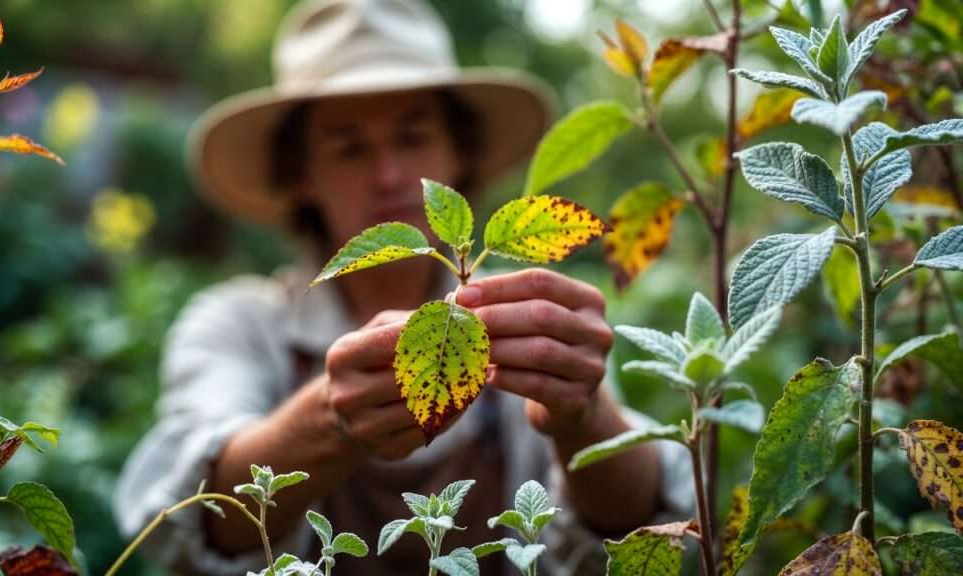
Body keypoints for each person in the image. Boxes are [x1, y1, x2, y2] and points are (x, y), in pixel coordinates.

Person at [114, 0, 693, 574]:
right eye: (350, 148)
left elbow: (633, 537)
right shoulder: (238, 325)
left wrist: (584, 416)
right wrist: (331, 421)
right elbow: (192, 525)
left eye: (412, 138)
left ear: (458, 151)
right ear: (301, 173)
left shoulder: (527, 320)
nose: (389, 176)